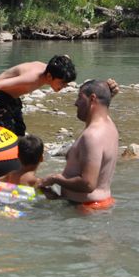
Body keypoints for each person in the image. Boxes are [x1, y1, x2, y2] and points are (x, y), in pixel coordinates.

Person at [38, 80, 119, 208]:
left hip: (85, 209)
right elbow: (101, 107)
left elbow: (88, 184)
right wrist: (108, 94)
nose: (76, 103)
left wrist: (55, 179)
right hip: (98, 205)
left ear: (92, 98)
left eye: (80, 97)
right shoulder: (109, 125)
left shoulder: (92, 136)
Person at [0, 55, 77, 136]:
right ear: (49, 76)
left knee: (19, 131)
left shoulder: (52, 69)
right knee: (6, 134)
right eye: (62, 83)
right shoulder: (32, 77)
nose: (64, 86)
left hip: (12, 97)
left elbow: (66, 57)